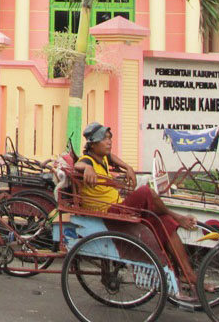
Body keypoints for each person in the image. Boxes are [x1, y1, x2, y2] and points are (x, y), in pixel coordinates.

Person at [74, 122, 198, 293]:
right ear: (93, 144)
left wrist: (128, 167)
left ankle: (187, 274)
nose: (109, 142)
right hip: (109, 212)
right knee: (146, 191)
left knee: (165, 222)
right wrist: (87, 168)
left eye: (109, 138)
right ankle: (177, 215)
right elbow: (78, 165)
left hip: (117, 206)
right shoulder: (87, 160)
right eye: (104, 139)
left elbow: (111, 157)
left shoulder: (101, 157)